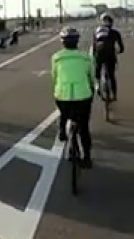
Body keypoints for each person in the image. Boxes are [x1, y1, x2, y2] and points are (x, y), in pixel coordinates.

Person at [51, 27, 95, 168]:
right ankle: (87, 158)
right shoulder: (86, 57)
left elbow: (54, 77)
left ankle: (62, 129)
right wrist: (91, 90)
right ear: (77, 41)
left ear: (62, 42)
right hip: (83, 96)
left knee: (63, 111)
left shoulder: (56, 58)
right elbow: (91, 78)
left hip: (62, 95)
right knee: (84, 127)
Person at [90, 14, 125, 101]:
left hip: (99, 53)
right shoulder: (115, 32)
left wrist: (93, 55)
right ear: (111, 23)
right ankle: (114, 95)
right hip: (110, 53)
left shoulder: (97, 31)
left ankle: (97, 85)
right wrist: (119, 51)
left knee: (97, 69)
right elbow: (121, 47)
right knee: (111, 74)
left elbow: (94, 45)